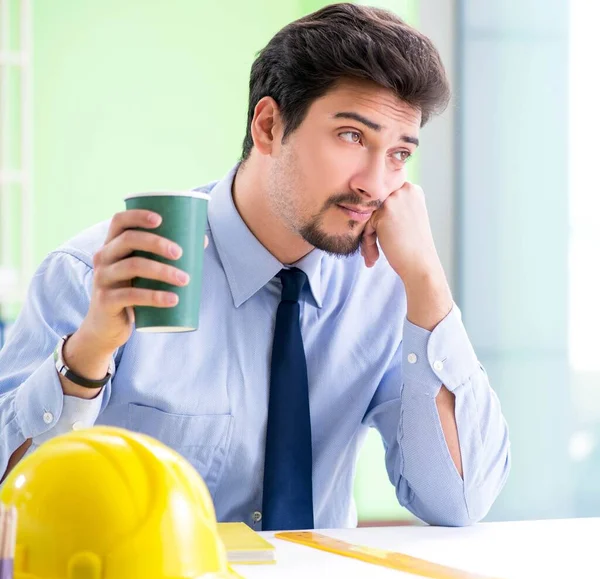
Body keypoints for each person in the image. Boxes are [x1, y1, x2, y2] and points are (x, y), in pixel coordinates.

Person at [0, 3, 510, 529]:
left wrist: (428, 282)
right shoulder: (98, 275)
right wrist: (87, 354)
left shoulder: (388, 288)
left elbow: (458, 503)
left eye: (399, 153)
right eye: (352, 137)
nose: (375, 184)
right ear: (268, 126)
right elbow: (14, 506)